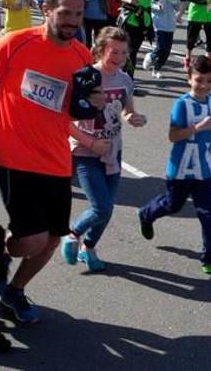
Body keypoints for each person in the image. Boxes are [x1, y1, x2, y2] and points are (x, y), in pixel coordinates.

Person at [0, 0, 96, 324]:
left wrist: (91, 104)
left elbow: (76, 106)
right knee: (33, 238)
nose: (72, 21)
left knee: (52, 239)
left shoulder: (82, 55)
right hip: (14, 156)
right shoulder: (16, 42)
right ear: (47, 10)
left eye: (78, 14)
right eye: (65, 12)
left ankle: (14, 291)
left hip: (56, 160)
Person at [138, 55, 211, 273]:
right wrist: (196, 128)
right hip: (181, 169)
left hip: (204, 169)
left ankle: (210, 258)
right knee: (173, 205)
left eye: (209, 81)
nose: (204, 86)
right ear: (189, 79)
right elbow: (173, 136)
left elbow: (210, 124)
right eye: (199, 80)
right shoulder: (182, 104)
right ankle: (146, 214)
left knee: (209, 214)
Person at [63, 27, 146, 271]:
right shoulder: (84, 77)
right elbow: (66, 122)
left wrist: (133, 117)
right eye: (113, 52)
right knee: (101, 206)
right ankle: (72, 234)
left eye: (123, 52)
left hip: (112, 150)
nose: (118, 57)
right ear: (100, 50)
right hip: (85, 151)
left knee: (107, 208)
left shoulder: (125, 79)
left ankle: (88, 248)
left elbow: (127, 109)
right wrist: (91, 143)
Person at [114, 0, 161, 75]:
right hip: (129, 19)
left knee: (133, 51)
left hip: (143, 20)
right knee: (130, 52)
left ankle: (126, 77)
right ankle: (127, 77)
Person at [146, 0, 180, 78]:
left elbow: (177, 3)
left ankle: (155, 62)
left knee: (167, 50)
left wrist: (177, 6)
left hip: (170, 20)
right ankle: (153, 63)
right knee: (161, 47)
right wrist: (156, 7)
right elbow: (148, 2)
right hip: (158, 20)